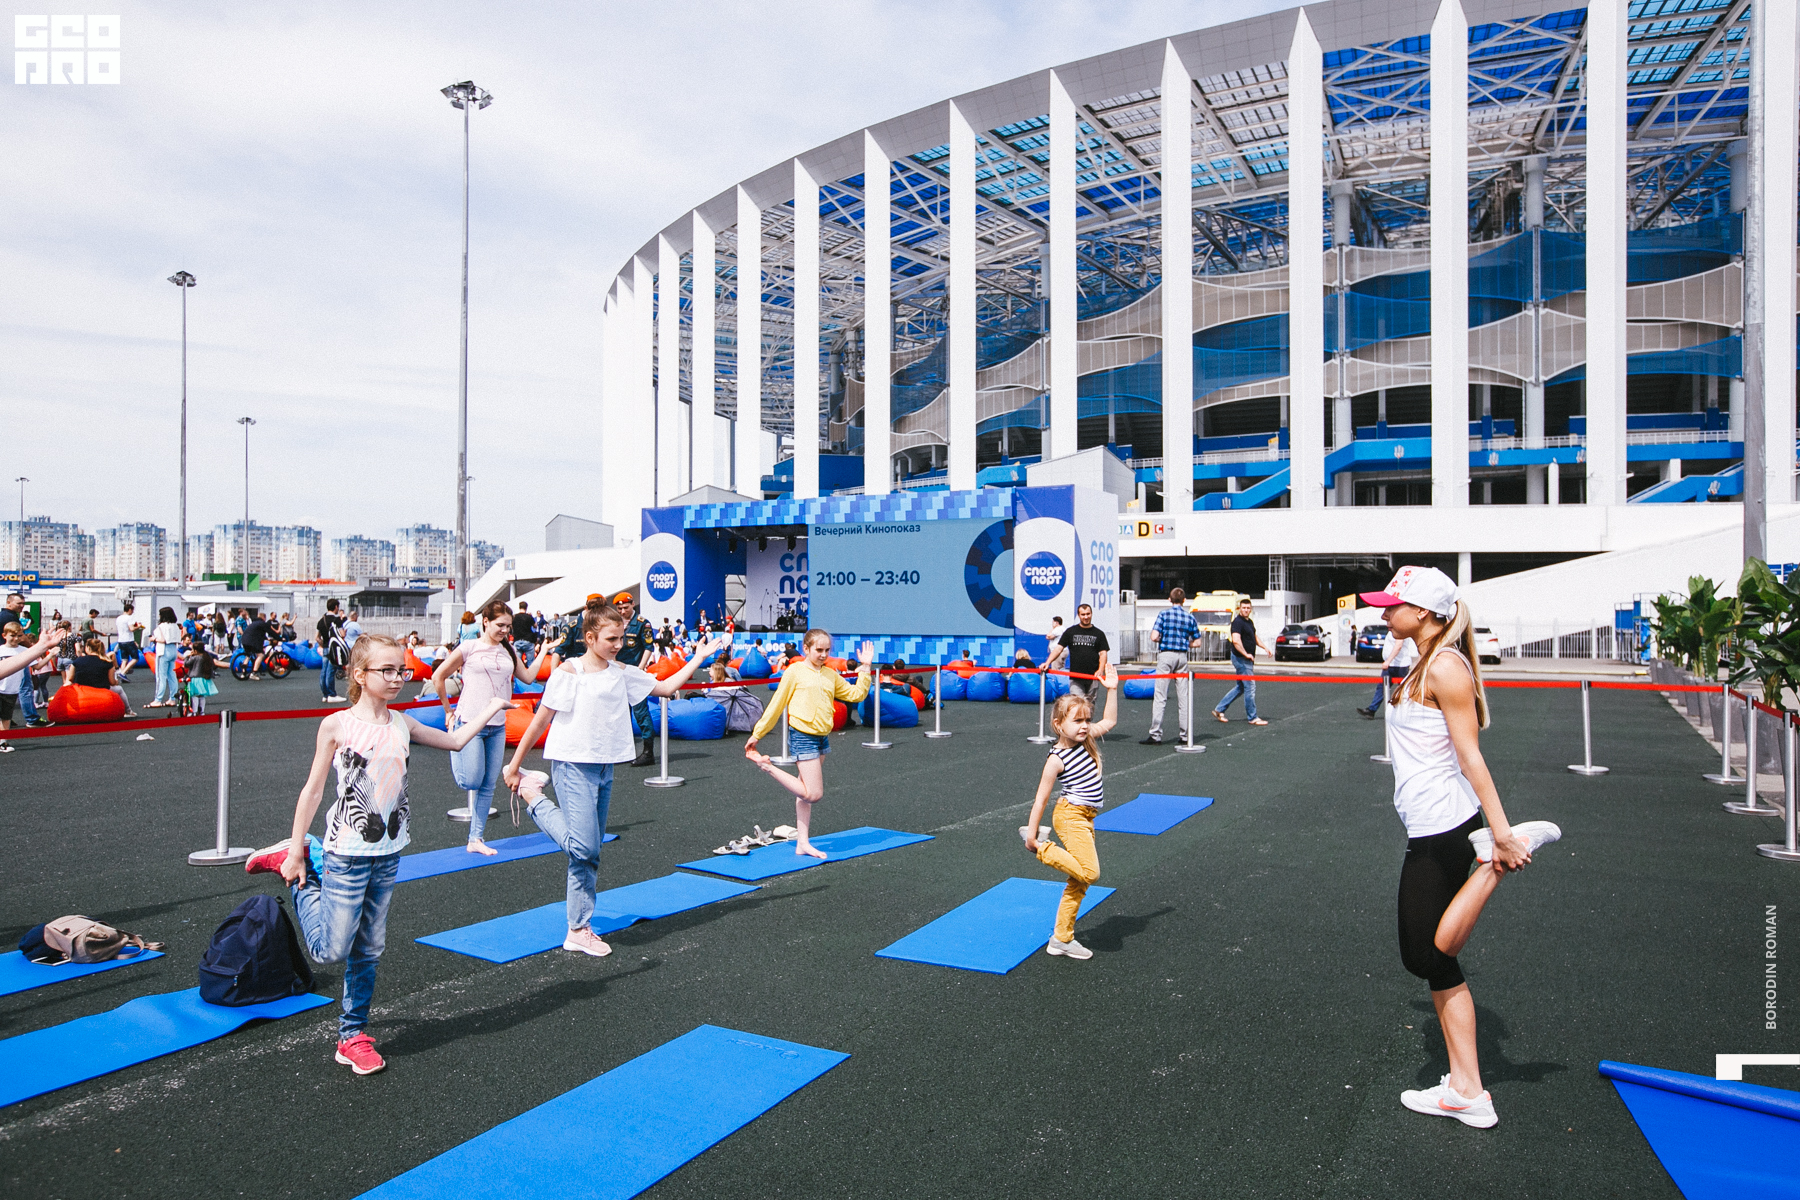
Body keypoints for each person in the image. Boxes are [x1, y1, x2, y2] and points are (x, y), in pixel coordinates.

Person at [244, 635, 510, 1076]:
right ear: (359, 675)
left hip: (388, 852)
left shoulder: (403, 724)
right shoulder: (337, 725)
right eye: (386, 670)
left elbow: (456, 741)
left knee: (368, 948)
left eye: (401, 670)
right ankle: (301, 870)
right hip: (345, 852)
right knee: (330, 950)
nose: (397, 678)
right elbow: (312, 790)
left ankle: (352, 1035)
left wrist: (492, 708)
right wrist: (294, 848)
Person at [1357, 566, 1561, 1129]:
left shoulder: (1447, 667)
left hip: (1444, 823)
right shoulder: (1416, 657)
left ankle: (1497, 857)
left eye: (1393, 606)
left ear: (1424, 612)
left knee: (1427, 956)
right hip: (1427, 821)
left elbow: (1471, 756)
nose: (1383, 613)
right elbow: (1396, 655)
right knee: (1435, 959)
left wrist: (1501, 830)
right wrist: (1402, 640)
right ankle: (1466, 1087)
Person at [502, 610, 727, 958]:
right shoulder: (568, 673)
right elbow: (539, 722)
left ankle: (578, 929)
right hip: (572, 766)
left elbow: (666, 688)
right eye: (611, 639)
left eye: (621, 638)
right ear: (590, 638)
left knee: (589, 854)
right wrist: (515, 767)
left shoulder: (622, 672)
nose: (619, 645)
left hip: (604, 767)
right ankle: (533, 796)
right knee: (584, 849)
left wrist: (698, 657)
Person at [744, 630, 875, 861]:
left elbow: (856, 695)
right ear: (806, 648)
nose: (823, 654)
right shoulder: (794, 671)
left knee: (804, 794)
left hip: (822, 737)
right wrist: (758, 733)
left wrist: (865, 667)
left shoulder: (830, 674)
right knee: (813, 794)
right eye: (818, 650)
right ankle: (767, 766)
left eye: (827, 650)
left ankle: (802, 843)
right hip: (802, 736)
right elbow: (777, 703)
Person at [1020, 665, 1122, 960]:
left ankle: (1061, 939)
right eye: (1077, 721)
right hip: (1070, 816)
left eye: (1087, 720)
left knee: (1078, 882)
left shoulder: (1087, 741)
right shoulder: (1056, 758)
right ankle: (1044, 849)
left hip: (1087, 817)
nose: (1084, 726)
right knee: (1090, 872)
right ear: (1058, 724)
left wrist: (1112, 689)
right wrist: (1033, 837)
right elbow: (1041, 799)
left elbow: (1110, 720)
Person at [432, 600, 540, 855]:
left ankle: (475, 839)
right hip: (469, 722)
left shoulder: (508, 651)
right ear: (485, 622)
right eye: (500, 625)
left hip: (497, 726)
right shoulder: (469, 647)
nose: (505, 630)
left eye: (508, 626)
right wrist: (448, 711)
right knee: (470, 779)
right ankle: (454, 739)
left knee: (488, 784)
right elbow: (438, 676)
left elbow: (528, 677)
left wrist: (546, 651)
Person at [1142, 589, 1202, 745]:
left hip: (1166, 655)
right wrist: (1184, 643)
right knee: (1183, 697)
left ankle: (1155, 734)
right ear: (1184, 600)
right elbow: (1198, 642)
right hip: (1182, 657)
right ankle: (1185, 735)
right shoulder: (1189, 617)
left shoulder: (1164, 614)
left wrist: (1164, 639)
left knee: (1160, 696)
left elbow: (1154, 636)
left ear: (1169, 599)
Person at [610, 592, 658, 767]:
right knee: (619, 713)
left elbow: (648, 647)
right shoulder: (614, 622)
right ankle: (622, 752)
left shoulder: (642, 623)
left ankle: (648, 752)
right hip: (617, 672)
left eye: (625, 607)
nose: (623, 611)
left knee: (641, 712)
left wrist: (640, 669)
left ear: (632, 605)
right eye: (619, 608)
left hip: (634, 672)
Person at [0, 625, 67, 749]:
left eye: (19, 636)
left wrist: (50, 654)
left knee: (6, 717)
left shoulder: (24, 651)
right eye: (12, 636)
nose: (16, 639)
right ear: (4, 636)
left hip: (12, 689)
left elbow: (37, 666)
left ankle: (3, 742)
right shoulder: (1, 650)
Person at [1212, 597, 1269, 726]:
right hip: (1241, 659)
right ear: (1239, 609)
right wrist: (1246, 654)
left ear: (1251, 609)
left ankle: (1219, 709)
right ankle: (1252, 717)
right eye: (1244, 608)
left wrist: (1265, 648)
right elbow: (1236, 641)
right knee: (1250, 687)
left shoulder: (1249, 622)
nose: (1246, 610)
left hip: (1246, 659)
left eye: (1248, 608)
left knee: (1241, 687)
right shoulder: (1237, 622)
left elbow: (1254, 637)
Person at [1045, 603, 1110, 700]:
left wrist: (1100, 670)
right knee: (1077, 704)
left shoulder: (1099, 634)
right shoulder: (1070, 632)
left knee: (1089, 706)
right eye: (1083, 614)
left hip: (1093, 677)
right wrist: (1047, 663)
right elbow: (1058, 648)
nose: (1086, 617)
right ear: (1079, 615)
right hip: (1075, 677)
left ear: (1091, 614)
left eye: (1088, 614)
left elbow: (1103, 654)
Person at [67, 634, 134, 716]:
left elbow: (70, 679)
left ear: (88, 648)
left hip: (82, 690)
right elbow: (112, 682)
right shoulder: (107, 662)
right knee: (119, 689)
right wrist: (116, 682)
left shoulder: (77, 661)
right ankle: (128, 711)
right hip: (101, 689)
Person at [1360, 626, 1416, 718]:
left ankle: (1409, 711)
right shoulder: (1392, 630)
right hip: (1391, 665)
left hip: (1400, 665)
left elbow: (1398, 646)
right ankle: (1371, 710)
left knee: (1404, 690)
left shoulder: (1400, 629)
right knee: (1382, 687)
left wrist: (1388, 661)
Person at [148, 607, 184, 708]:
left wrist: (153, 639)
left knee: (161, 677)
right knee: (172, 676)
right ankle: (172, 698)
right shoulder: (176, 626)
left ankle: (158, 700)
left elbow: (162, 639)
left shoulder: (161, 627)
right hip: (173, 650)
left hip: (163, 651)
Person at [317, 600, 347, 702]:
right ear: (336, 607)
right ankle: (332, 694)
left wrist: (323, 644)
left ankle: (325, 694)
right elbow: (342, 634)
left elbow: (317, 637)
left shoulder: (321, 621)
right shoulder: (336, 620)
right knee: (330, 672)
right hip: (333, 649)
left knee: (324, 671)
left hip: (325, 647)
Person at [184, 645, 218, 715]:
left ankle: (194, 711)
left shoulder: (195, 658)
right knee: (202, 696)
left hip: (195, 679)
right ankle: (202, 711)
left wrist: (187, 657)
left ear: (196, 651)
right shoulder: (207, 657)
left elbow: (186, 664)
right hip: (204, 678)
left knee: (195, 695)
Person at [114, 604, 142, 682]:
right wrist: (139, 626)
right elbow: (131, 629)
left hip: (121, 640)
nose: (132, 612)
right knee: (135, 658)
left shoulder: (118, 618)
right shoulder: (129, 618)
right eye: (132, 610)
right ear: (129, 610)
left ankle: (123, 675)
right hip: (128, 640)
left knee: (124, 659)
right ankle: (123, 673)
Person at [241, 610, 273, 679]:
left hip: (244, 640)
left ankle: (243, 673)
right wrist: (279, 638)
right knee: (260, 655)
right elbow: (271, 632)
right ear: (263, 618)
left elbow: (259, 633)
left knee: (248, 655)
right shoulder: (262, 623)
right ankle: (254, 673)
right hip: (252, 641)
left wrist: (266, 638)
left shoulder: (253, 623)